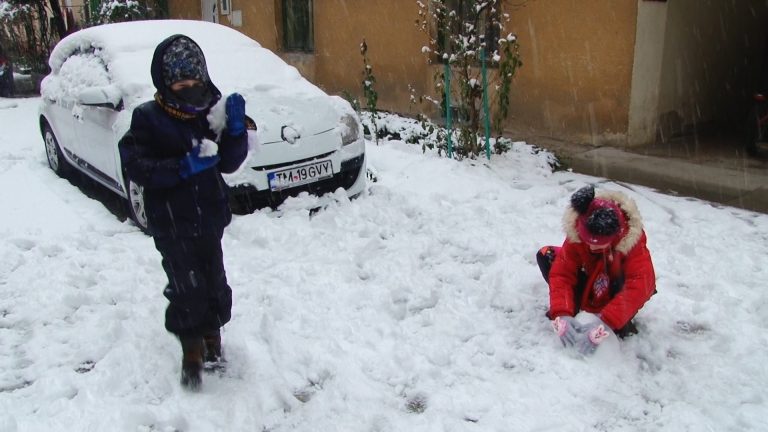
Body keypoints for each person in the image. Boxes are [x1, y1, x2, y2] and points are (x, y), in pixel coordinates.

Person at [119, 34, 249, 390]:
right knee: (186, 288)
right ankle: (191, 350)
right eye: (180, 83)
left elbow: (228, 163)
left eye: (194, 81)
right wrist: (181, 167)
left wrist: (236, 133)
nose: (189, 88)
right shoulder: (148, 118)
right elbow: (136, 165)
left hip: (209, 216)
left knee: (214, 284)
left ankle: (212, 336)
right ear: (165, 83)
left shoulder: (212, 109)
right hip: (172, 222)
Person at [536, 185, 656, 354]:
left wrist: (607, 320)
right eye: (588, 242)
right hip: (589, 277)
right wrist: (562, 311)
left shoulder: (630, 239)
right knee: (547, 256)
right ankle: (576, 308)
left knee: (628, 283)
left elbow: (642, 284)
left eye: (598, 244)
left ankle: (619, 322)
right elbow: (562, 273)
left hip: (612, 285)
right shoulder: (577, 231)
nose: (592, 247)